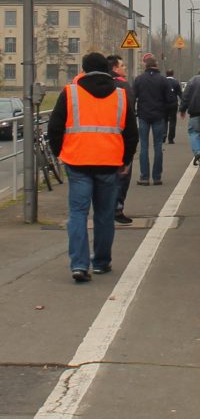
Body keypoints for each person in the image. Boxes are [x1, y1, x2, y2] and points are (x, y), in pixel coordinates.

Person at [48, 52, 138, 282]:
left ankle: (79, 265)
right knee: (105, 214)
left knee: (78, 214)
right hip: (109, 162)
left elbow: (54, 128)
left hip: (77, 161)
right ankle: (101, 262)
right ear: (108, 69)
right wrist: (125, 160)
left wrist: (61, 153)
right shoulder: (120, 95)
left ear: (84, 69)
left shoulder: (70, 93)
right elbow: (131, 133)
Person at [133, 55, 176, 186]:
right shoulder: (163, 80)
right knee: (158, 146)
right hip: (159, 116)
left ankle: (144, 177)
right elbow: (170, 99)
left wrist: (135, 111)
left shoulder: (139, 80)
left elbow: (133, 97)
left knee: (144, 146)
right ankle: (157, 177)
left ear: (146, 66)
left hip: (143, 116)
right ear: (156, 66)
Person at [107, 54, 136, 224]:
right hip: (120, 137)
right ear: (115, 68)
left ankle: (107, 207)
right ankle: (117, 208)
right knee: (122, 176)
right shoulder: (124, 87)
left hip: (101, 139)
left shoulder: (99, 85)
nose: (125, 68)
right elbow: (129, 114)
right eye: (122, 65)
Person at [164, 69, 183, 143]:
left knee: (164, 120)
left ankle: (163, 135)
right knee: (173, 121)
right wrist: (183, 104)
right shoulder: (176, 82)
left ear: (166, 74)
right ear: (173, 74)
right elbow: (180, 94)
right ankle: (171, 138)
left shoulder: (163, 81)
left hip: (164, 104)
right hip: (173, 104)